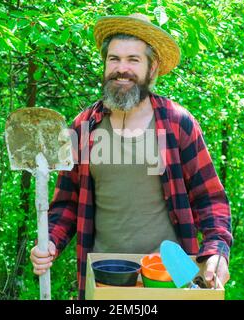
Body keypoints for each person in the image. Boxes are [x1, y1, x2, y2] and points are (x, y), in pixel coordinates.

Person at [30, 13, 233, 300]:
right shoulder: (84, 127)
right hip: (104, 278)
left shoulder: (177, 123)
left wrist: (217, 249)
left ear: (152, 69)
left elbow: (209, 199)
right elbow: (67, 203)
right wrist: (50, 240)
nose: (121, 69)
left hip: (170, 279)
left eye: (133, 60)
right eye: (114, 59)